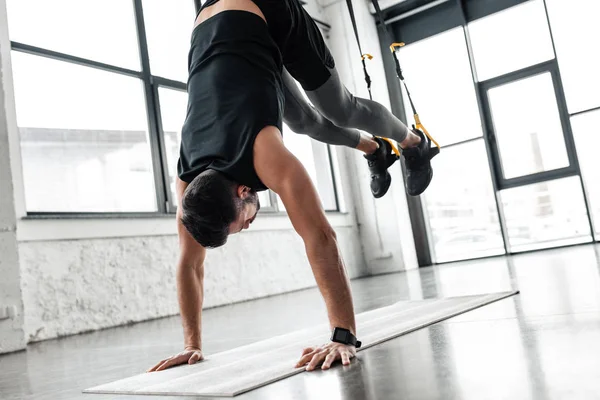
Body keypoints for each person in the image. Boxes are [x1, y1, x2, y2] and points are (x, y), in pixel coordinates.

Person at [148, 0, 437, 373]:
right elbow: (190, 263)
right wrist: (191, 345)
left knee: (340, 109)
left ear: (241, 193)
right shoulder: (190, 184)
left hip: (267, 9)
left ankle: (414, 144)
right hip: (219, 28)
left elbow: (320, 237)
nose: (248, 226)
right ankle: (376, 149)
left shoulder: (265, 153)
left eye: (243, 223)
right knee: (305, 123)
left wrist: (342, 335)